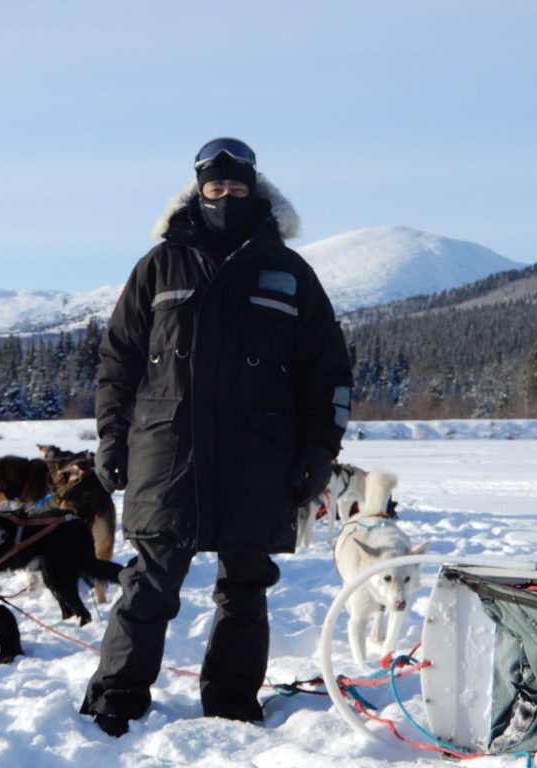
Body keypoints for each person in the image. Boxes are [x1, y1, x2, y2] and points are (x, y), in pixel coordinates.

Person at [81, 138, 353, 736]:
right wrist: (111, 439)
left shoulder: (289, 272)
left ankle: (232, 700)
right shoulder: (158, 265)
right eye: (214, 187)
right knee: (149, 581)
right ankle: (116, 695)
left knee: (246, 586)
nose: (225, 197)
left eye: (236, 187)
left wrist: (318, 453)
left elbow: (328, 374)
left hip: (258, 456)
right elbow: (117, 363)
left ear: (253, 189)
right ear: (198, 189)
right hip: (166, 452)